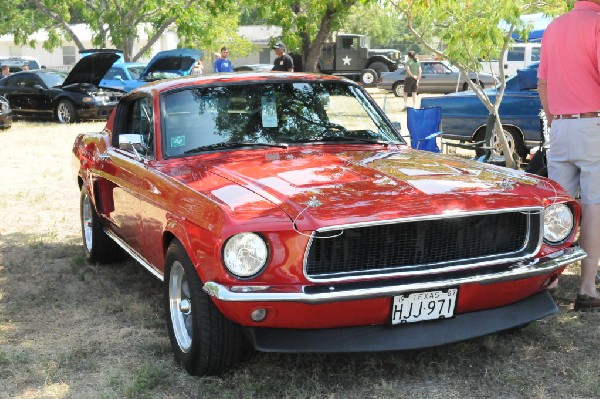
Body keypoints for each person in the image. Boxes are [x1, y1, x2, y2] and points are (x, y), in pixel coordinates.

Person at [538, 0, 600, 311]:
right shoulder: (598, 23)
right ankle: (587, 289)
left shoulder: (554, 26)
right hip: (593, 123)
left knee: (558, 208)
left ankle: (550, 280)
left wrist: (553, 119)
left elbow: (542, 83)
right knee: (594, 205)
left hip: (560, 125)